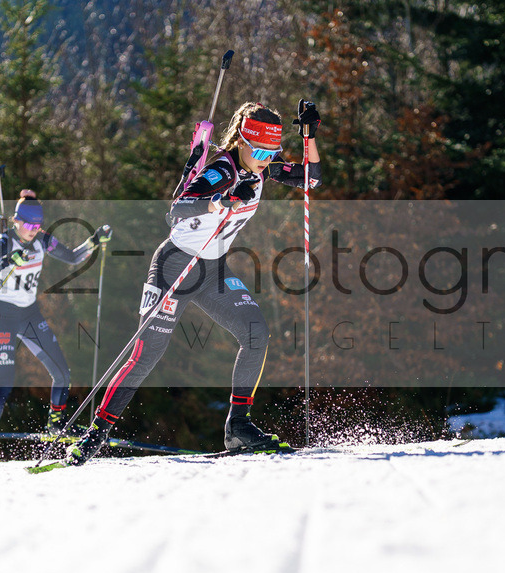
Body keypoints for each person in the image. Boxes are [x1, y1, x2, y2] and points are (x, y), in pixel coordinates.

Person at [63, 99, 322, 465]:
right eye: (260, 150)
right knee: (146, 353)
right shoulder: (221, 170)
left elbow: (312, 177)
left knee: (255, 333)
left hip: (211, 270)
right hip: (174, 266)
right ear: (243, 143)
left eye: (272, 150)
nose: (266, 158)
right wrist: (222, 201)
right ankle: (95, 435)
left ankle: (239, 427)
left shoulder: (263, 169)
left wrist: (309, 136)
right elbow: (178, 209)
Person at [0, 190, 113, 464]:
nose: (34, 231)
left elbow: (72, 257)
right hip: (2, 313)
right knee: (4, 381)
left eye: (38, 226)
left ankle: (56, 424)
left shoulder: (44, 239)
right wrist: (10, 259)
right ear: (16, 221)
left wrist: (93, 242)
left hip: (29, 313)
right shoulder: (4, 241)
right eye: (29, 225)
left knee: (62, 373)